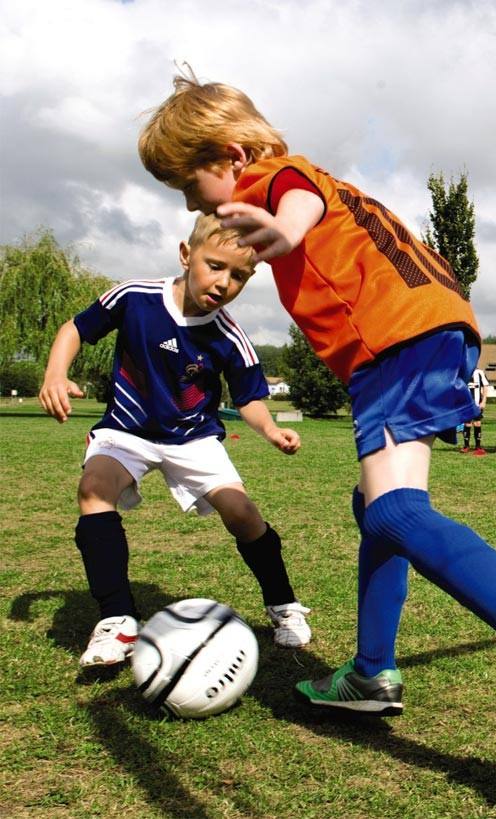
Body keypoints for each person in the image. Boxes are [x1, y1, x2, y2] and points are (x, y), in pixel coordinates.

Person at [138, 73, 496, 767]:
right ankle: (370, 672)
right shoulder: (314, 180)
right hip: (429, 325)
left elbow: (293, 202)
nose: (189, 202)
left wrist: (282, 227)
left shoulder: (276, 177)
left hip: (394, 339)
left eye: (188, 184)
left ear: (232, 156)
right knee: (376, 505)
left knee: (391, 511)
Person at [38, 214, 311, 666]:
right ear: (187, 255)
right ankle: (118, 622)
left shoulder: (229, 336)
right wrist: (54, 373)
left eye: (239, 275)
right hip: (126, 429)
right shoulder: (134, 298)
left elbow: (250, 400)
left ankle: (283, 606)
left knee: (243, 514)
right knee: (93, 489)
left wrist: (271, 430)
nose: (224, 283)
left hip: (193, 437)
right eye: (215, 265)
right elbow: (74, 329)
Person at [461, 365, 488, 455]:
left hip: (477, 403)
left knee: (477, 423)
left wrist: (483, 401)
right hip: (466, 403)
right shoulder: (463, 371)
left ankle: (478, 446)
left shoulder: (480, 372)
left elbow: (485, 387)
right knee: (467, 423)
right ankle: (466, 446)